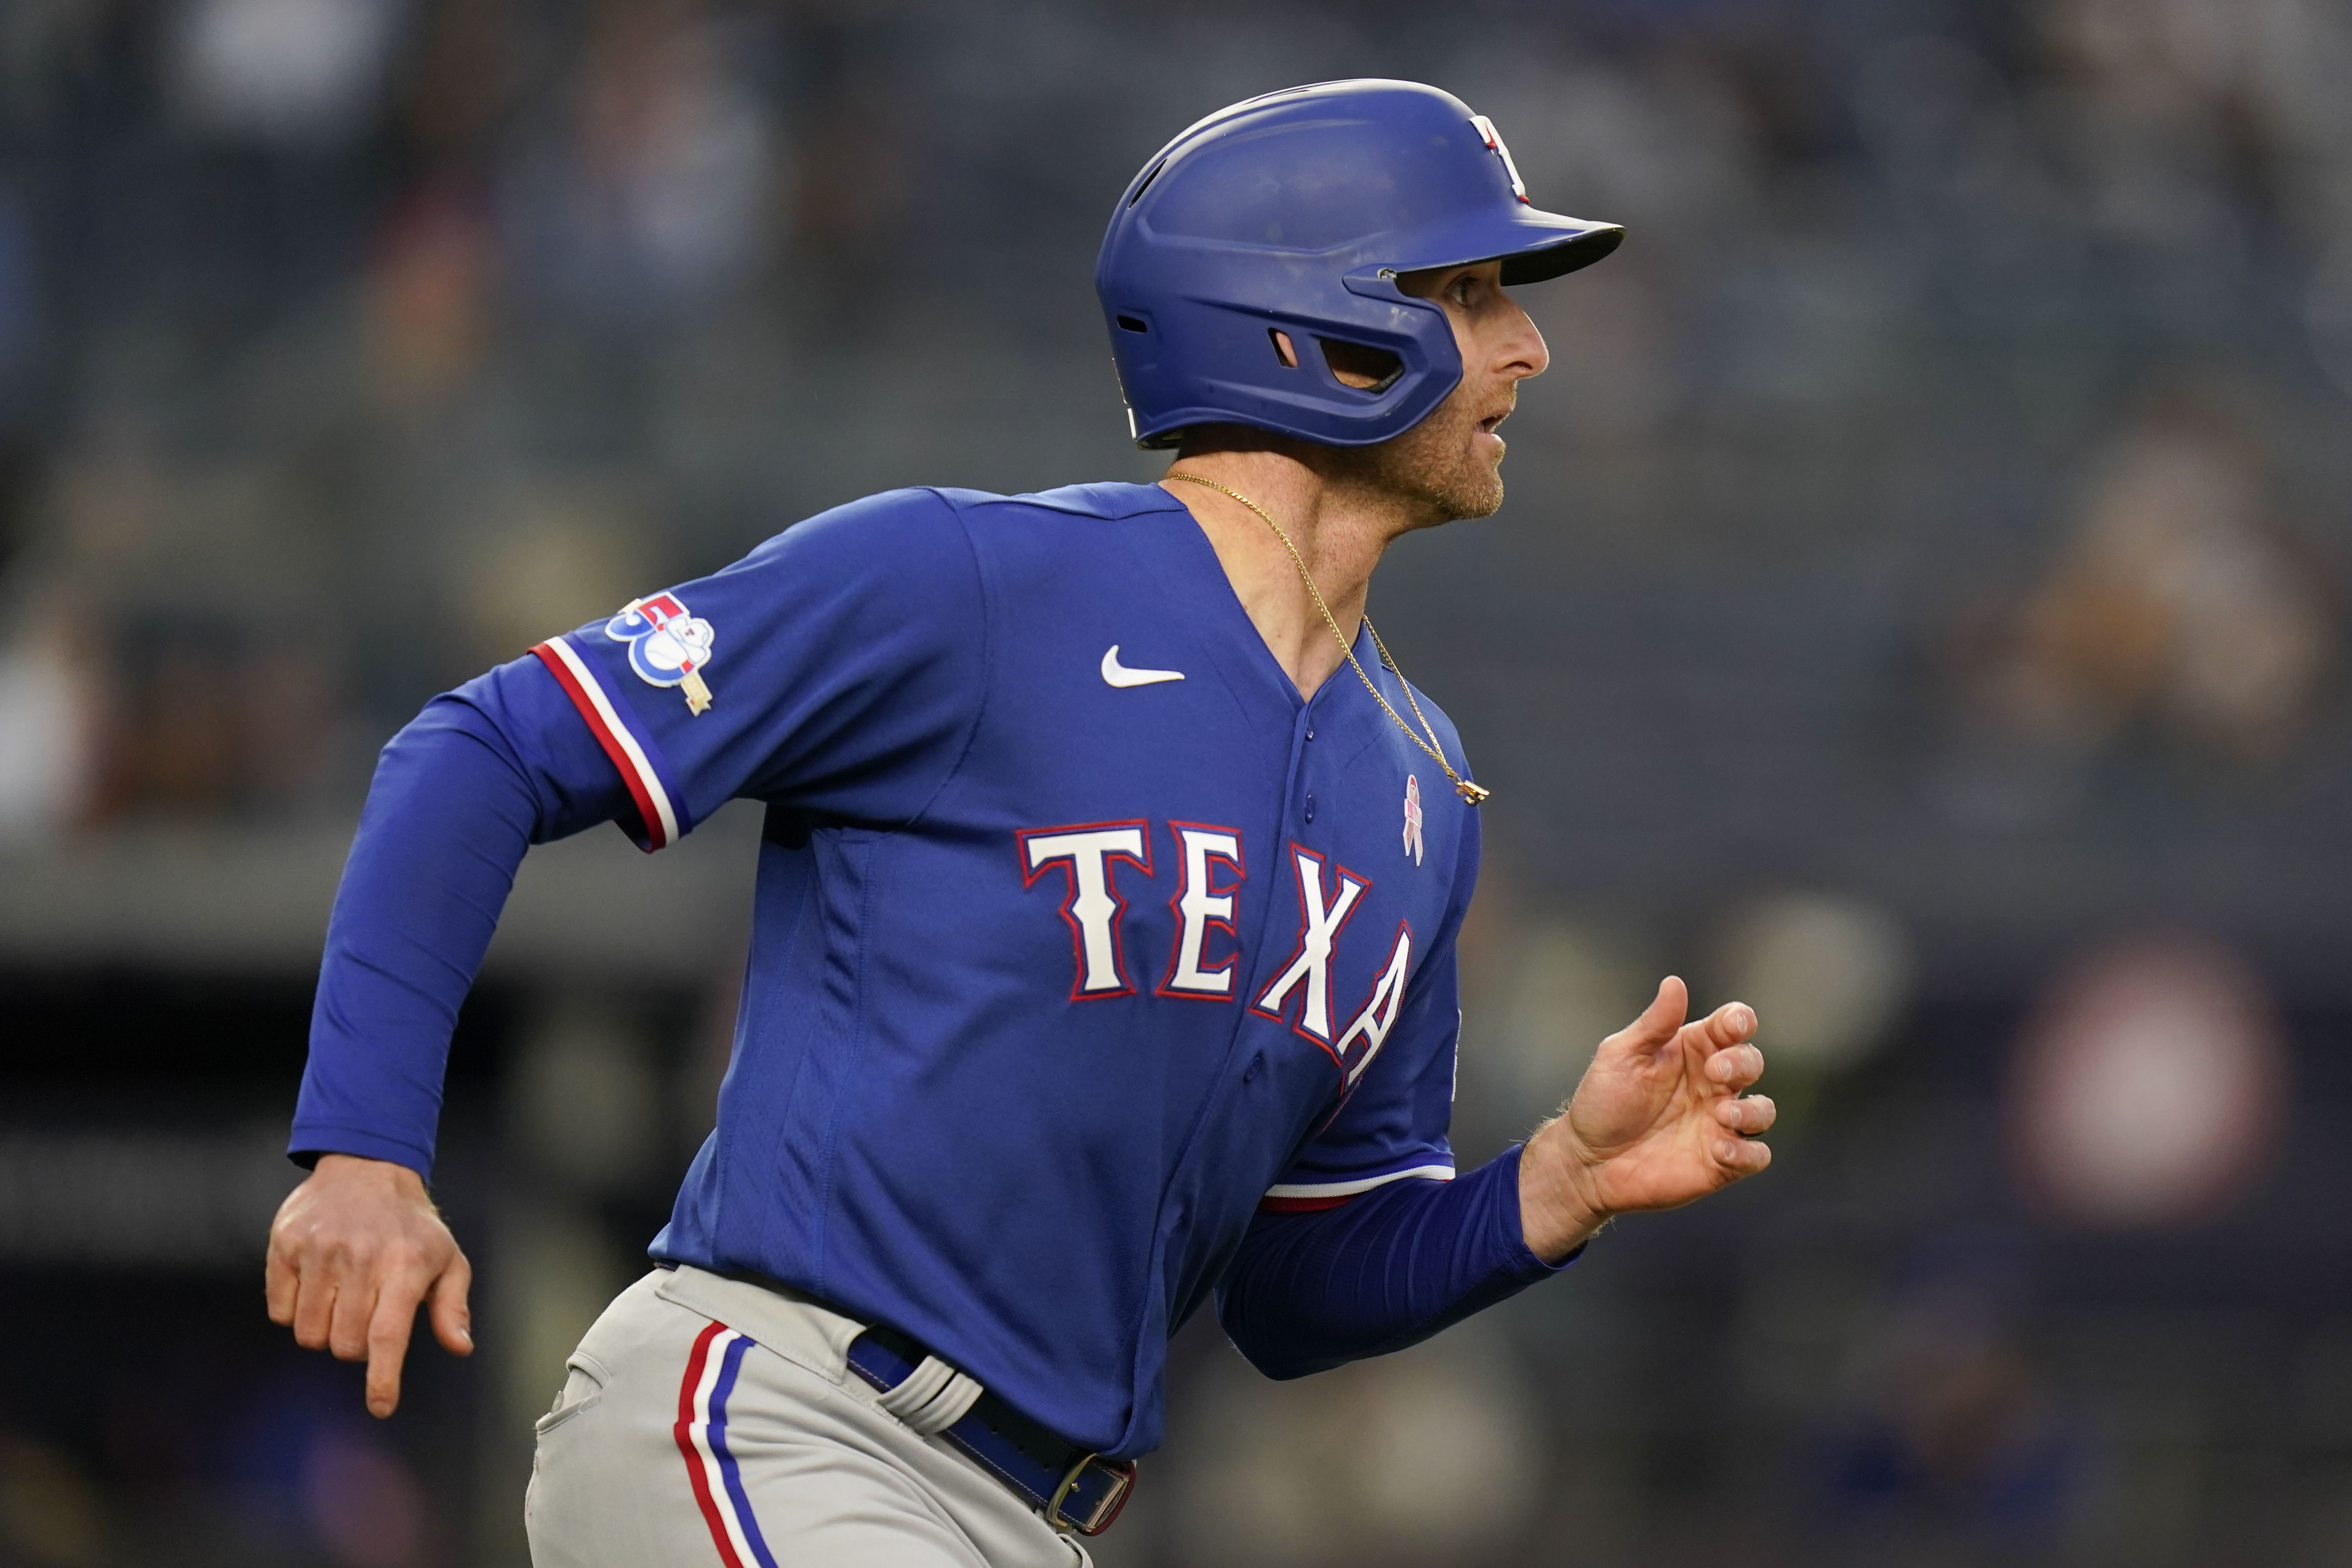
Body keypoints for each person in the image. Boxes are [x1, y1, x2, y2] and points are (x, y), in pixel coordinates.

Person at [265, 79, 1775, 1567]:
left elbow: (1297, 1289)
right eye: (1469, 289)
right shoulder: (970, 583)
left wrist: (1553, 1188)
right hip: (781, 1417)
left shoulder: (1422, 788)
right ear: (1311, 322)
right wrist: (362, 1152)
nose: (1530, 343)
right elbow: (481, 751)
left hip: (1029, 1520)